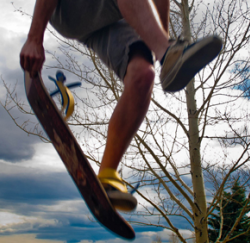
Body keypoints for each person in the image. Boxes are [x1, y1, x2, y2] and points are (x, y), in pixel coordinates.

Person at [20, 0, 222, 212]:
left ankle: (108, 174)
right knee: (159, 53)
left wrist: (160, 48)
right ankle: (167, 51)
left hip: (113, 18)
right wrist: (35, 37)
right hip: (67, 10)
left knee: (143, 76)